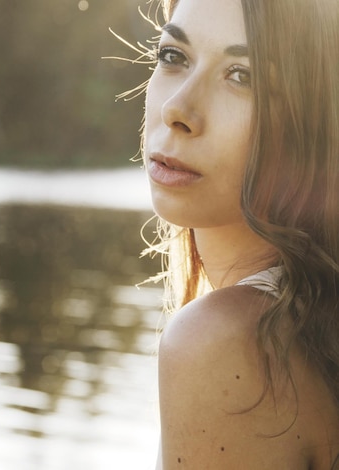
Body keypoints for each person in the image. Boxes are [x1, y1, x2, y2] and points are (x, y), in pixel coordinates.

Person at [137, 0, 339, 468]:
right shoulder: (312, 316)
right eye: (173, 56)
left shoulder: (224, 344)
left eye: (242, 76)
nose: (177, 109)